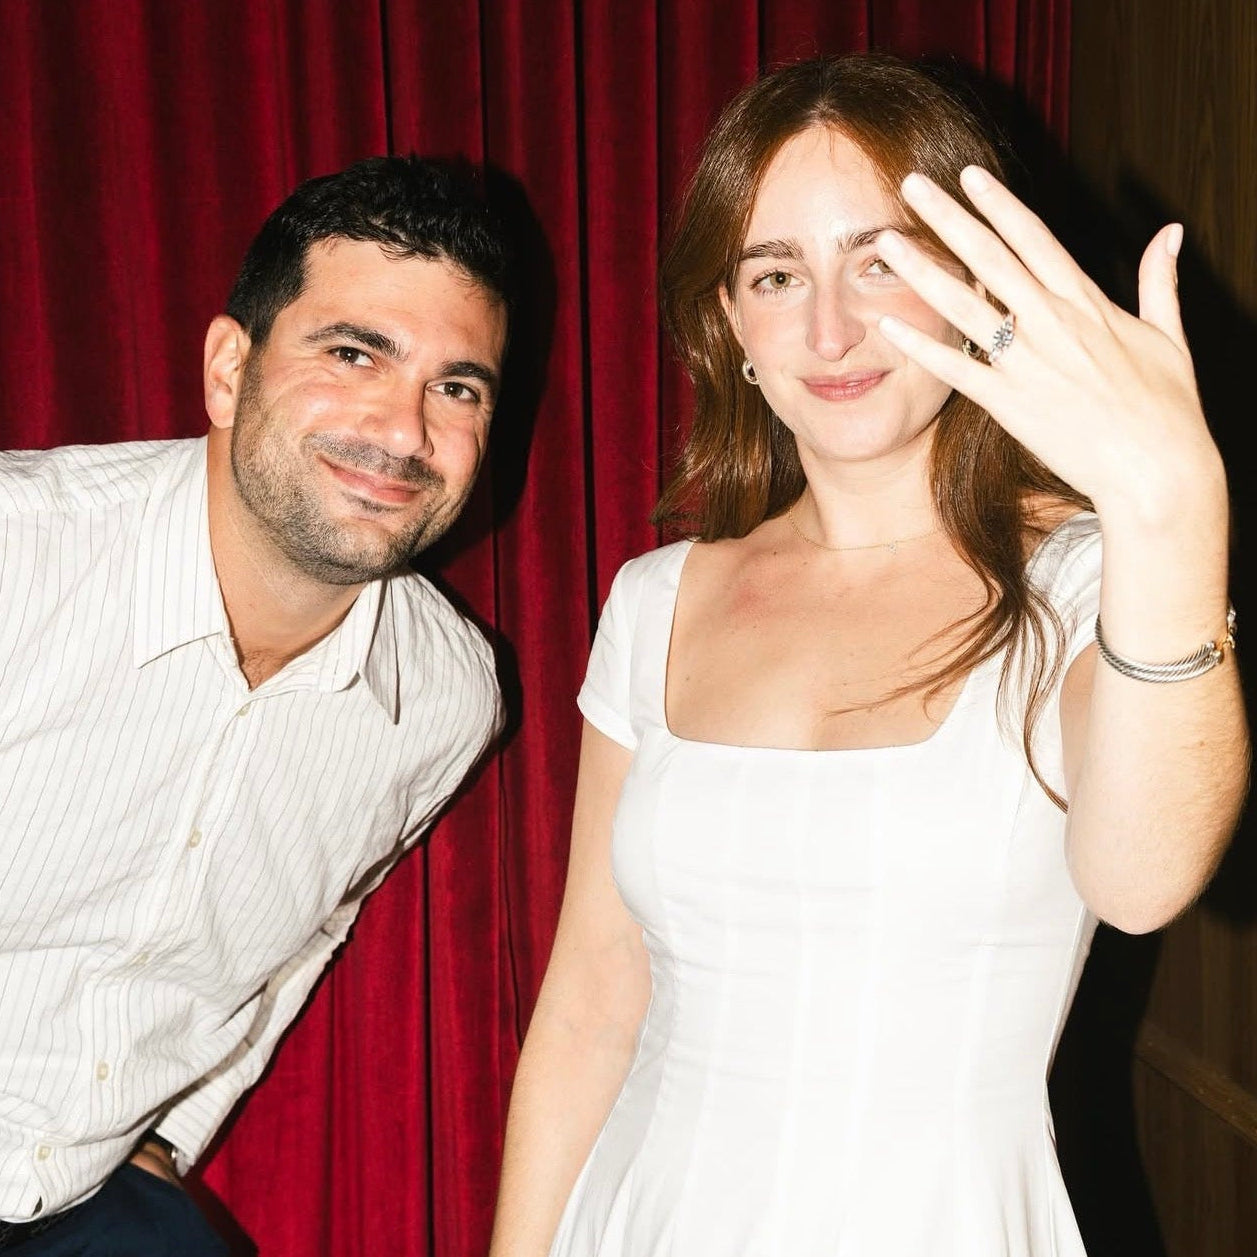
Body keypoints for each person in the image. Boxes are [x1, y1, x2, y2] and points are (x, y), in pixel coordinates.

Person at [488, 53, 1248, 1257]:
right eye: (777, 273)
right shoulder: (656, 601)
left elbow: (1144, 877)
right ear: (729, 319)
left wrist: (1173, 512)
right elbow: (589, 1002)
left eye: (882, 260)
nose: (831, 327)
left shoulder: (1093, 580)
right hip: (634, 1219)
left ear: (975, 281)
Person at [0, 155, 511, 1253]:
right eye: (353, 353)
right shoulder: (20, 557)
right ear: (231, 369)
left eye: (456, 386)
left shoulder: (445, 698)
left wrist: (174, 1129)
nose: (404, 431)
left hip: (81, 1190)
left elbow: (312, 927)